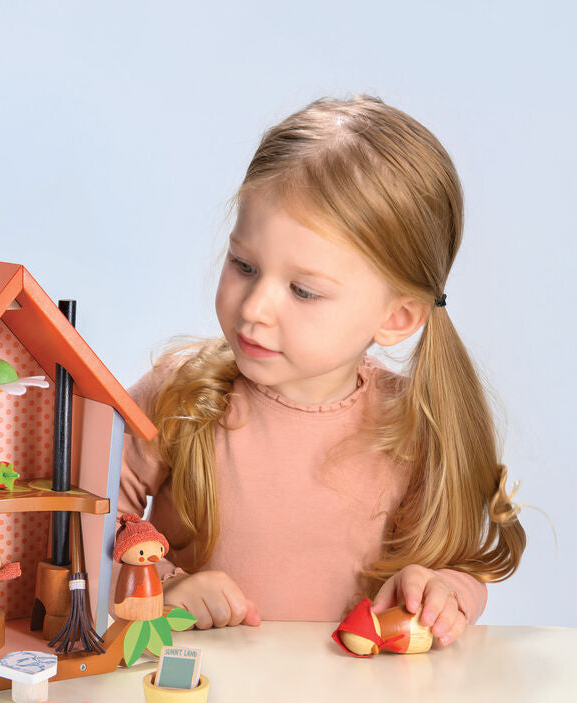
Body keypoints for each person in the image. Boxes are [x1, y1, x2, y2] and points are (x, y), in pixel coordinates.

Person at [114, 95, 526, 647]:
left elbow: (461, 572)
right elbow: (84, 519)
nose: (255, 307)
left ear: (397, 316)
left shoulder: (412, 429)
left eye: (303, 290)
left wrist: (441, 592)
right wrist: (164, 587)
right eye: (243, 265)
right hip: (195, 695)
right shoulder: (181, 394)